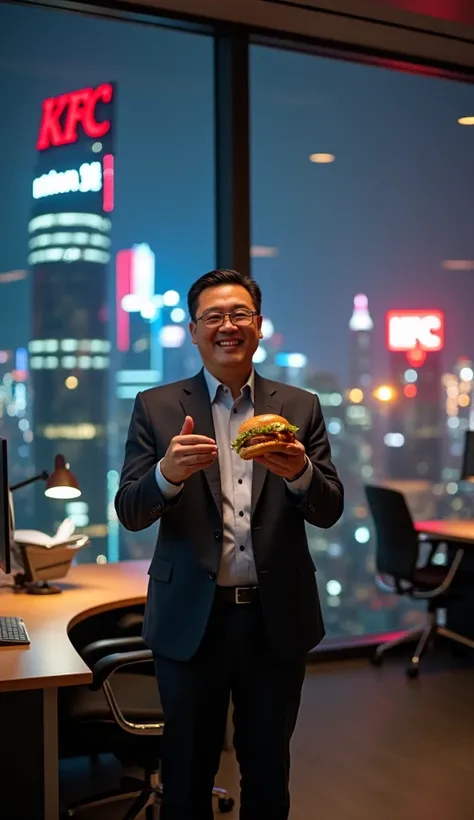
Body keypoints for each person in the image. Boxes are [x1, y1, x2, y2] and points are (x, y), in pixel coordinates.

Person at [115, 269, 343, 820]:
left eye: (239, 314)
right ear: (194, 331)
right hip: (191, 621)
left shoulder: (299, 406)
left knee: (268, 771)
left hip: (275, 618)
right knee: (187, 774)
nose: (227, 326)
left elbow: (329, 508)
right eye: (213, 317)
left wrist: (301, 473)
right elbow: (130, 511)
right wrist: (167, 475)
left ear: (259, 327)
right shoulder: (157, 406)